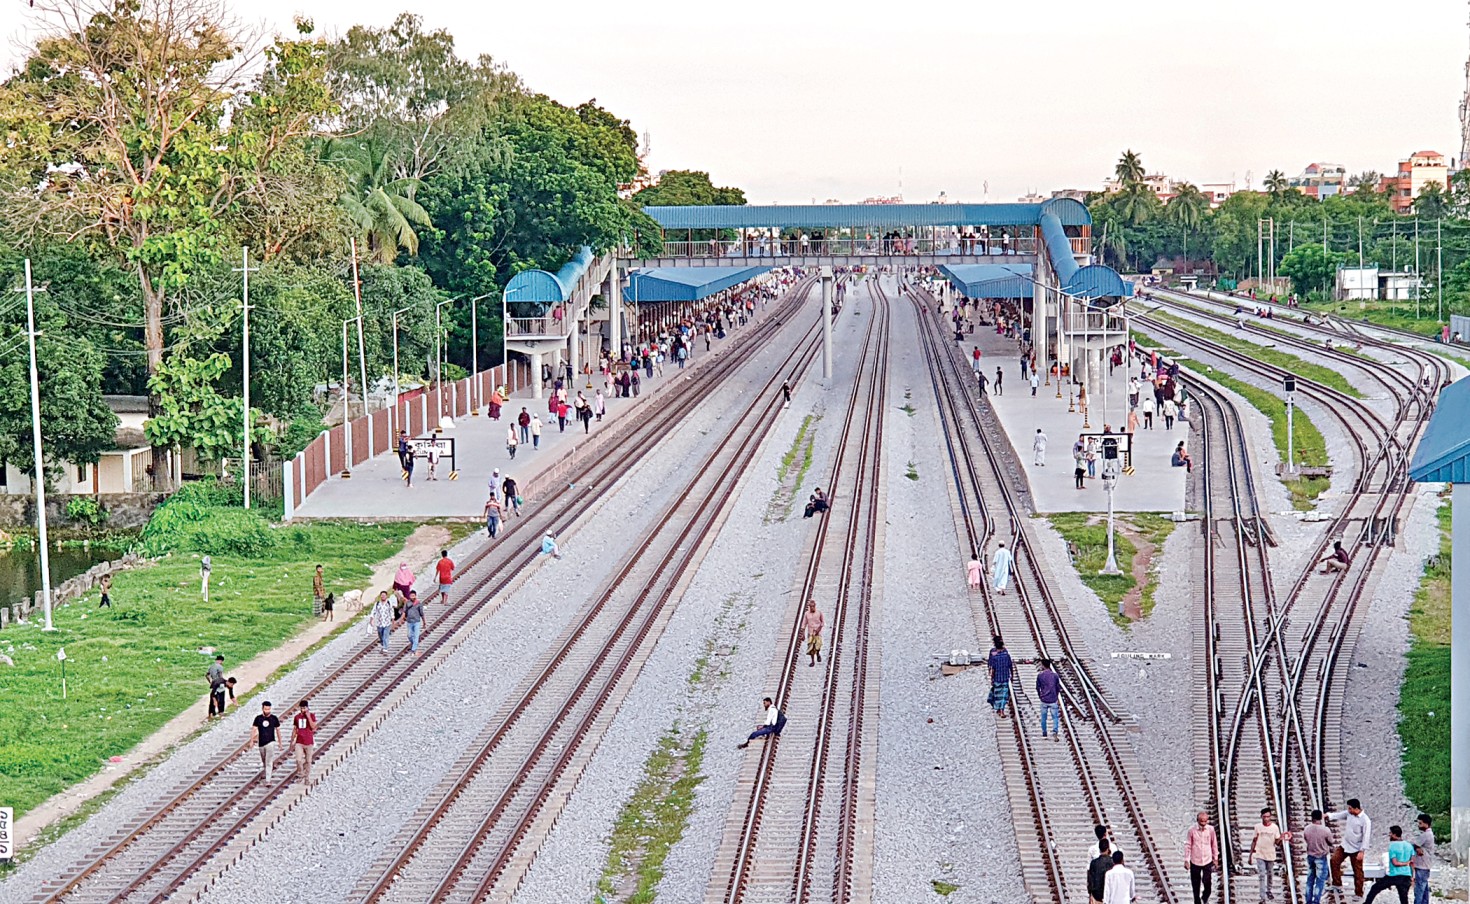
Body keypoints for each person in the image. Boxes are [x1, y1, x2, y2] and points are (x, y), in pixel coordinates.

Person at [1329, 798, 1372, 898]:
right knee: (1334, 861)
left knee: (1357, 871)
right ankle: (1337, 884)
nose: (1348, 810)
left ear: (1356, 808)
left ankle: (1359, 893)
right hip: (1345, 845)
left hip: (1357, 849)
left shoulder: (1365, 820)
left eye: (1350, 808)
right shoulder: (1349, 814)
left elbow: (1366, 836)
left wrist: (1362, 851)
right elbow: (1339, 815)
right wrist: (1328, 815)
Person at [1362, 825, 1414, 904]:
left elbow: (1395, 863)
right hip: (1406, 876)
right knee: (1404, 899)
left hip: (1394, 875)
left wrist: (1404, 863)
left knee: (1375, 888)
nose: (1389, 835)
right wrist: (1413, 876)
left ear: (1395, 834)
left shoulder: (1393, 846)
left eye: (1390, 833)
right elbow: (1412, 862)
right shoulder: (1409, 845)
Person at [1249, 807, 1290, 901]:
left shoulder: (1275, 828)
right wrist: (1250, 855)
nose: (1266, 819)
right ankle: (1262, 897)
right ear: (1261, 817)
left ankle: (1269, 890)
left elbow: (1277, 843)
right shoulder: (1257, 827)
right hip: (1260, 854)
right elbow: (1254, 841)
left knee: (1270, 874)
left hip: (1270, 854)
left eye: (1268, 817)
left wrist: (1281, 838)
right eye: (1264, 817)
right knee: (1262, 875)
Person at [1186, 810, 1220, 904]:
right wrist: (1186, 860)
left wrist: (1215, 858)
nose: (1203, 823)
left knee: (1207, 882)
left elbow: (1214, 844)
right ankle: (1197, 901)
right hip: (1195, 860)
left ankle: (1205, 897)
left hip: (1207, 860)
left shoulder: (1211, 830)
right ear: (1197, 821)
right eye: (1201, 821)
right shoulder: (1191, 830)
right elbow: (1188, 845)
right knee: (1195, 883)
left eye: (1205, 821)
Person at [1303, 809, 1333, 904]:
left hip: (1310, 856)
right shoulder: (1325, 830)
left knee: (1310, 879)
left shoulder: (1307, 828)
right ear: (1320, 818)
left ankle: (1308, 900)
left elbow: (1306, 839)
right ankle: (1316, 901)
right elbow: (1331, 842)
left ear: (1312, 817)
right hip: (1321, 857)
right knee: (1320, 881)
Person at [290, 699, 317, 785]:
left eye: (304, 708)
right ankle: (301, 774)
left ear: (307, 707)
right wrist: (292, 741)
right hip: (299, 741)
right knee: (298, 759)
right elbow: (295, 729)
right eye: (301, 708)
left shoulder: (312, 715)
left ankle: (307, 777)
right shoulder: (297, 717)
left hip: (309, 741)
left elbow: (313, 727)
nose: (303, 710)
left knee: (308, 761)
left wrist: (308, 716)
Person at [252, 700, 281, 781]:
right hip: (261, 743)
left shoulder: (274, 718)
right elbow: (253, 729)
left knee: (268, 761)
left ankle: (268, 780)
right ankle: (267, 773)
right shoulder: (258, 718)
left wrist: (280, 742)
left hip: (271, 742)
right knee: (264, 760)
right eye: (266, 709)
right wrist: (251, 741)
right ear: (262, 709)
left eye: (268, 709)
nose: (267, 711)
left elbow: (278, 730)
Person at [986, 634, 1012, 717]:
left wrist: (991, 677)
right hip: (1005, 677)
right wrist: (1012, 675)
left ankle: (999, 709)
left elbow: (991, 666)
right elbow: (1010, 665)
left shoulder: (993, 653)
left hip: (997, 678)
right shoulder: (1005, 653)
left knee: (997, 695)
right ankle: (1001, 710)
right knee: (1004, 695)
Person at [1410, 813, 1434, 904]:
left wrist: (1416, 848)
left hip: (1422, 865)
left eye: (1420, 823)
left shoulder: (1425, 835)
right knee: (1424, 889)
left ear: (1426, 824)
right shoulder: (1428, 834)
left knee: (1419, 889)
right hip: (1425, 865)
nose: (1418, 825)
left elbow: (1414, 844)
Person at [1036, 658, 1060, 740]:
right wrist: (1056, 696)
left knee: (1043, 717)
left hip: (1044, 699)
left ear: (1043, 665)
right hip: (1053, 699)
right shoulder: (1055, 676)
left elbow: (1037, 687)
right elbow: (1058, 688)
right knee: (1055, 717)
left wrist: (1040, 696)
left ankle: (1044, 733)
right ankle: (1055, 731)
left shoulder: (1040, 676)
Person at [396, 591, 425, 655]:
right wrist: (401, 620)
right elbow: (404, 612)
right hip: (409, 622)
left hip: (417, 622)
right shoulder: (407, 603)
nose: (412, 597)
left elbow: (422, 613)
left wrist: (424, 622)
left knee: (416, 636)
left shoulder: (419, 603)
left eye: (413, 595)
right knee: (409, 635)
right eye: (411, 596)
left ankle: (413, 649)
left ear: (415, 596)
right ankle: (414, 643)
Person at [1087, 839, 1113, 904]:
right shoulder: (1113, 862)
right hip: (1110, 896)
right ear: (1108, 848)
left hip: (1097, 896)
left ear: (1099, 848)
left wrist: (1090, 893)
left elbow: (1090, 880)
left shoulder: (1093, 863)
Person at [803, 599, 824, 667]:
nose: (812, 608)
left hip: (818, 632)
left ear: (815, 606)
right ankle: (812, 661)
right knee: (811, 647)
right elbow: (804, 624)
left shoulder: (819, 613)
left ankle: (818, 653)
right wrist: (802, 634)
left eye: (813, 606)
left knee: (818, 645)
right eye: (811, 606)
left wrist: (819, 629)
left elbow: (822, 622)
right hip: (810, 632)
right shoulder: (807, 614)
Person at [207, 654, 227, 718]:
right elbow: (220, 676)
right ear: (221, 661)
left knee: (213, 698)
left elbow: (207, 675)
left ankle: (211, 713)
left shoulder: (211, 666)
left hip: (213, 683)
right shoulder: (220, 667)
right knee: (221, 699)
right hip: (219, 684)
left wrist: (210, 682)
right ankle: (221, 712)